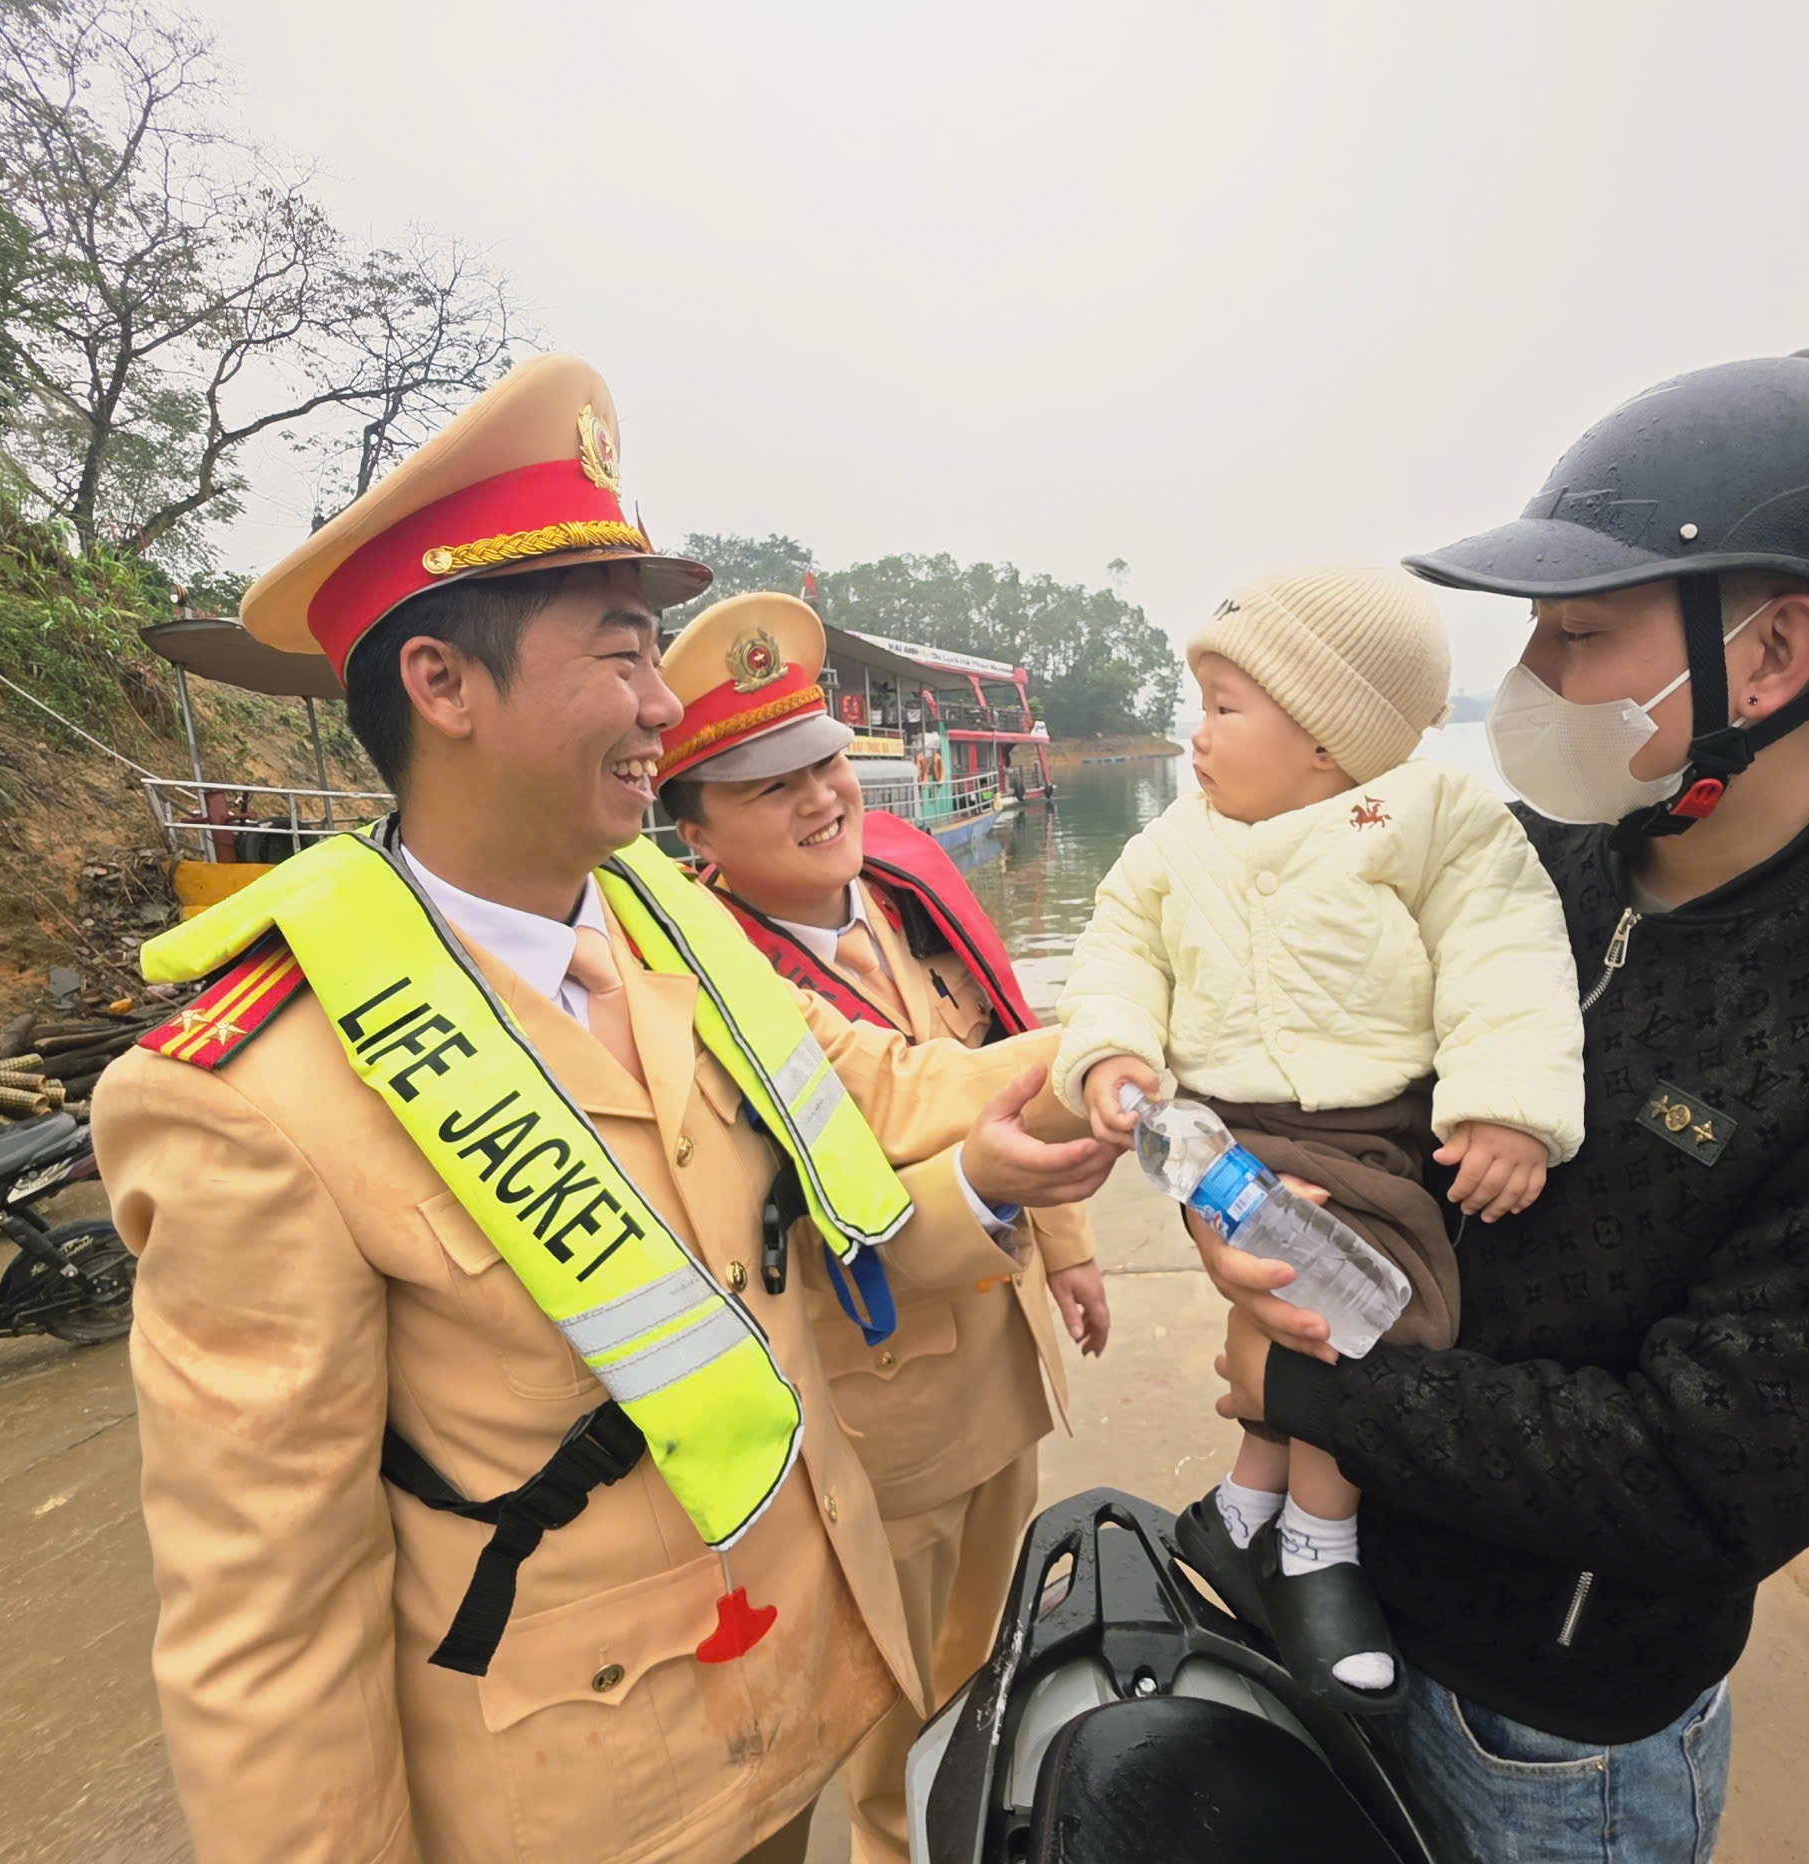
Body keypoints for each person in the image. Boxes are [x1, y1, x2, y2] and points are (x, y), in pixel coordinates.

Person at [92, 355, 1120, 1864]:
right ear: (441, 684)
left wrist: (1053, 1099)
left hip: (797, 1691)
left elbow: (863, 1095)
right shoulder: (255, 1095)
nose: (661, 705)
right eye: (623, 656)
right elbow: (266, 1621)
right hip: (584, 1803)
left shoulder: (661, 926)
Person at [1202, 353, 1809, 1863]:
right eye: (1535, 635)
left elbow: (1701, 1479)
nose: (1534, 685)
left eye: (1581, 633)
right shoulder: (1525, 868)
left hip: (1554, 1733)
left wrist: (1310, 1393)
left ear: (1771, 655)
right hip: (1333, 1578)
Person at [1052, 564, 1587, 1710]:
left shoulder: (1428, 817)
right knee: (1329, 1296)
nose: (1194, 737)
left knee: (1364, 1301)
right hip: (1216, 1126)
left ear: (1328, 743)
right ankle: (1318, 1548)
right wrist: (1109, 1054)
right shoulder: (1173, 845)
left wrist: (1505, 1103)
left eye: (1223, 708)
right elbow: (1115, 953)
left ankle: (1256, 1506)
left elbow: (1504, 954)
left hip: (1370, 1128)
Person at [654, 591, 1111, 1864]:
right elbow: (870, 1129)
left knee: (989, 1657)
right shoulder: (706, 984)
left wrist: (1067, 1254)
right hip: (879, 1404)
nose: (819, 802)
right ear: (690, 828)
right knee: (894, 1711)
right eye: (765, 788)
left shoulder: (907, 901)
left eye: (822, 765)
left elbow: (991, 1039)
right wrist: (1127, 1044)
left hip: (994, 1355)